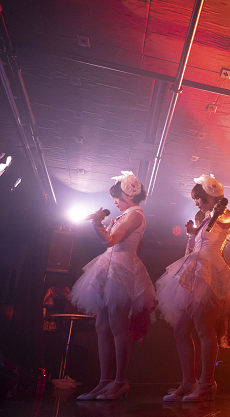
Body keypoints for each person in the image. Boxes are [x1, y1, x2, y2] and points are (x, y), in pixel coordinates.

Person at [155, 174, 230, 402]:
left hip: (209, 273)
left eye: (198, 198)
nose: (196, 203)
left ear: (210, 197)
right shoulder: (205, 219)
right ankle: (188, 382)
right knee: (180, 330)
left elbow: (223, 216)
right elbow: (197, 245)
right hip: (194, 272)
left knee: (205, 329)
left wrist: (218, 209)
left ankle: (207, 383)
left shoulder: (223, 214)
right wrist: (192, 235)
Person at [70, 171, 155, 400]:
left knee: (118, 325)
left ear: (129, 194)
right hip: (109, 266)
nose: (115, 201)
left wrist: (97, 224)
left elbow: (111, 240)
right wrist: (98, 224)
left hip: (122, 268)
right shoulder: (126, 214)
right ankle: (104, 381)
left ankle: (120, 381)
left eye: (117, 196)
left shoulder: (135, 215)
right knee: (102, 325)